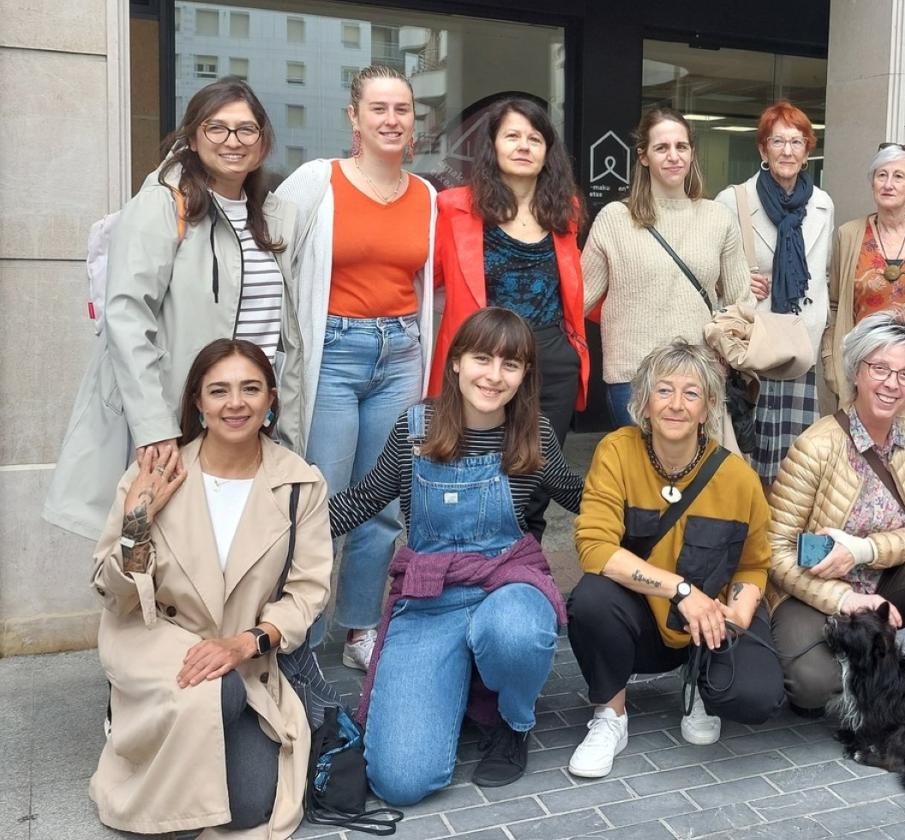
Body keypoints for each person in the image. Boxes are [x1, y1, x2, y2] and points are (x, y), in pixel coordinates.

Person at [327, 307, 583, 804]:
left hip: (508, 583)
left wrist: (648, 492)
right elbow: (364, 498)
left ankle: (511, 721)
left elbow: (582, 498)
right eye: (482, 358)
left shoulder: (534, 433)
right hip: (430, 597)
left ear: (525, 374)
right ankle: (462, 688)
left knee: (514, 632)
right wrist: (288, 529)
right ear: (457, 363)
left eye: (510, 364)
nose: (494, 375)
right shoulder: (416, 427)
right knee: (400, 781)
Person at [89, 339, 332, 838]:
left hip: (244, 659)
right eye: (218, 391)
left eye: (250, 389)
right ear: (197, 403)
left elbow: (307, 593)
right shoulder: (153, 473)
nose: (234, 403)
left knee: (247, 809)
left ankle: (203, 731)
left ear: (270, 401)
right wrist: (139, 519)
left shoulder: (300, 484)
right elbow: (112, 592)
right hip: (159, 648)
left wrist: (247, 641)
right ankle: (140, 734)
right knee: (214, 699)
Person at [45, 77, 301, 541]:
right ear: (193, 136)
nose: (232, 141)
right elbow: (126, 316)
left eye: (246, 130)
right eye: (217, 128)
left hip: (248, 414)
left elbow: (285, 333)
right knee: (167, 549)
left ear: (263, 141)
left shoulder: (275, 213)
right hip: (183, 414)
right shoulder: (164, 202)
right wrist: (154, 425)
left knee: (235, 545)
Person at [767, 313, 905, 770]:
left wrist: (864, 550)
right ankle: (851, 693)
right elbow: (776, 551)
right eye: (879, 369)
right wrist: (843, 597)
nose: (891, 384)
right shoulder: (816, 446)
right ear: (856, 372)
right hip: (817, 592)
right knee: (813, 684)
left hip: (887, 583)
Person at [277, 65, 438, 670]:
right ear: (354, 117)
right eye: (379, 109)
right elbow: (272, 258)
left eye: (402, 109)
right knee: (322, 499)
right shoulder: (317, 182)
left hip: (400, 353)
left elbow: (430, 287)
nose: (392, 120)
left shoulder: (424, 196)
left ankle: (359, 629)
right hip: (334, 353)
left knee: (384, 503)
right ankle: (305, 631)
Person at [567, 340, 785, 779]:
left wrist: (734, 618)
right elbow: (595, 547)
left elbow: (754, 563)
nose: (676, 405)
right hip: (645, 623)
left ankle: (702, 680)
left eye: (692, 394)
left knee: (756, 696)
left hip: (709, 625)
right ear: (644, 403)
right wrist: (681, 590)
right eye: (664, 390)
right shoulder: (616, 452)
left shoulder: (739, 478)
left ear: (708, 409)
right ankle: (610, 717)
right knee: (590, 598)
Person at [432, 97, 588, 540]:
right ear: (494, 146)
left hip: (551, 360)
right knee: (476, 467)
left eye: (535, 138)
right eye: (512, 136)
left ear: (547, 151)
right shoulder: (454, 207)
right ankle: (472, 568)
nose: (524, 146)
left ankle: (527, 575)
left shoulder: (565, 211)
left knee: (535, 477)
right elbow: (426, 279)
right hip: (486, 359)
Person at [582, 106, 753, 427]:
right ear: (643, 156)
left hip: (698, 375)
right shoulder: (615, 219)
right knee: (641, 476)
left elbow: (741, 301)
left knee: (693, 475)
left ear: (691, 154)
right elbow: (577, 300)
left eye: (681, 146)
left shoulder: (718, 219)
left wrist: (726, 346)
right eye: (661, 147)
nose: (673, 156)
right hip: (632, 375)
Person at [715, 101, 834, 486]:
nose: (787, 150)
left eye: (796, 141)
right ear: (763, 148)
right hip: (755, 345)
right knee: (749, 452)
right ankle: (751, 538)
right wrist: (738, 279)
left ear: (807, 149)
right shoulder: (733, 201)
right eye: (777, 141)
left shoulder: (822, 203)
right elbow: (712, 268)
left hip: (801, 342)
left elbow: (821, 272)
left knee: (797, 462)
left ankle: (786, 537)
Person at [822, 143, 905, 426]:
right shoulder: (849, 234)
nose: (888, 184)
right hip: (861, 374)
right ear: (872, 182)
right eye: (881, 175)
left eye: (898, 176)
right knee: (858, 459)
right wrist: (832, 366)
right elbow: (833, 305)